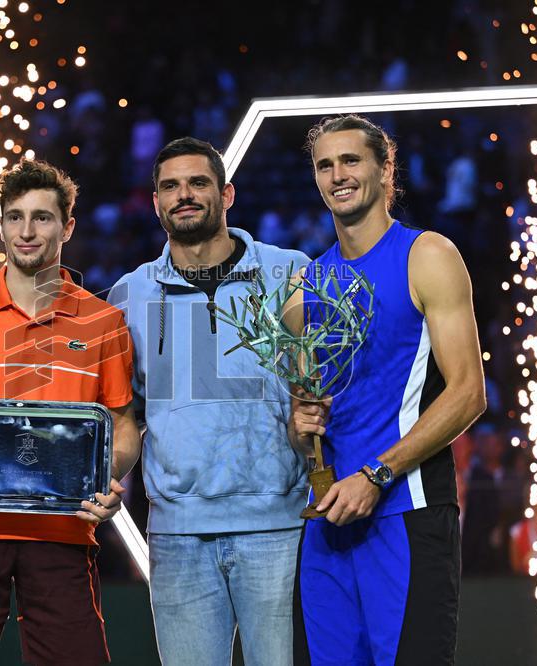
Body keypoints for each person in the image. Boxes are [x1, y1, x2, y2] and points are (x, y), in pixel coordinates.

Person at [0, 158, 141, 666]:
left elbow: (123, 427)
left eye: (42, 217)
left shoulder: (105, 322)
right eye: (15, 217)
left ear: (68, 226)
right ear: (1, 225)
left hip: (63, 531)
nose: (27, 231)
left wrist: (106, 476)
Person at [287, 115, 486, 665]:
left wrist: (377, 474)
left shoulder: (427, 255)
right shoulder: (308, 285)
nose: (337, 175)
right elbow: (307, 424)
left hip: (405, 512)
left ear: (385, 168)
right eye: (324, 165)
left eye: (351, 160)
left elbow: (469, 392)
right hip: (327, 522)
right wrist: (300, 427)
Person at [109, 137, 310, 665]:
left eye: (198, 183)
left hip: (279, 526)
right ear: (155, 202)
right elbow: (127, 416)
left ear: (227, 193)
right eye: (170, 186)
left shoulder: (288, 272)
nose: (184, 195)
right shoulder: (129, 295)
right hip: (177, 537)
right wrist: (103, 475)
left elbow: (316, 393)